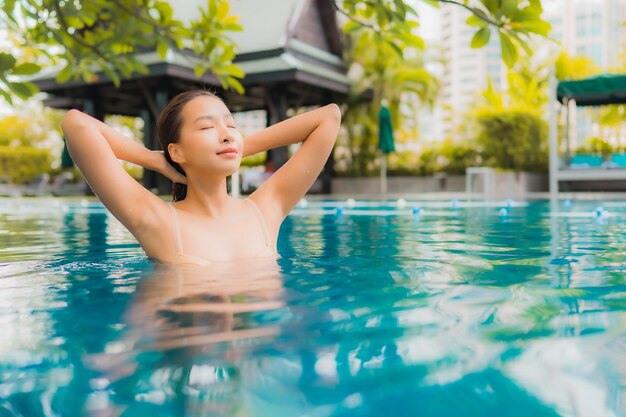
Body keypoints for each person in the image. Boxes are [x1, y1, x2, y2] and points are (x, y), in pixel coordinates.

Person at [61, 90, 341, 265]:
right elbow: (76, 124)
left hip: (258, 352)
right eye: (207, 126)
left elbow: (329, 117)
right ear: (177, 151)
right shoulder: (156, 220)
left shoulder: (266, 209)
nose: (227, 132)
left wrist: (235, 146)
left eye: (231, 125)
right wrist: (153, 159)